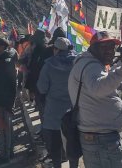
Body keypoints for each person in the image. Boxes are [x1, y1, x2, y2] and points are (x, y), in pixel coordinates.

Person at [68, 31, 122, 168]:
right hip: (102, 140)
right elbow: (98, 88)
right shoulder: (91, 66)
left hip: (96, 137)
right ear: (93, 48)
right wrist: (121, 70)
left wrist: (120, 66)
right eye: (105, 47)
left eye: (112, 47)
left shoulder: (88, 64)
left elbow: (100, 82)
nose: (110, 51)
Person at [37, 37, 78, 168]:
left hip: (54, 111)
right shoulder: (77, 63)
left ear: (56, 49)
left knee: (55, 144)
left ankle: (57, 165)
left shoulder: (49, 65)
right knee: (72, 144)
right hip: (74, 110)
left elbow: (42, 87)